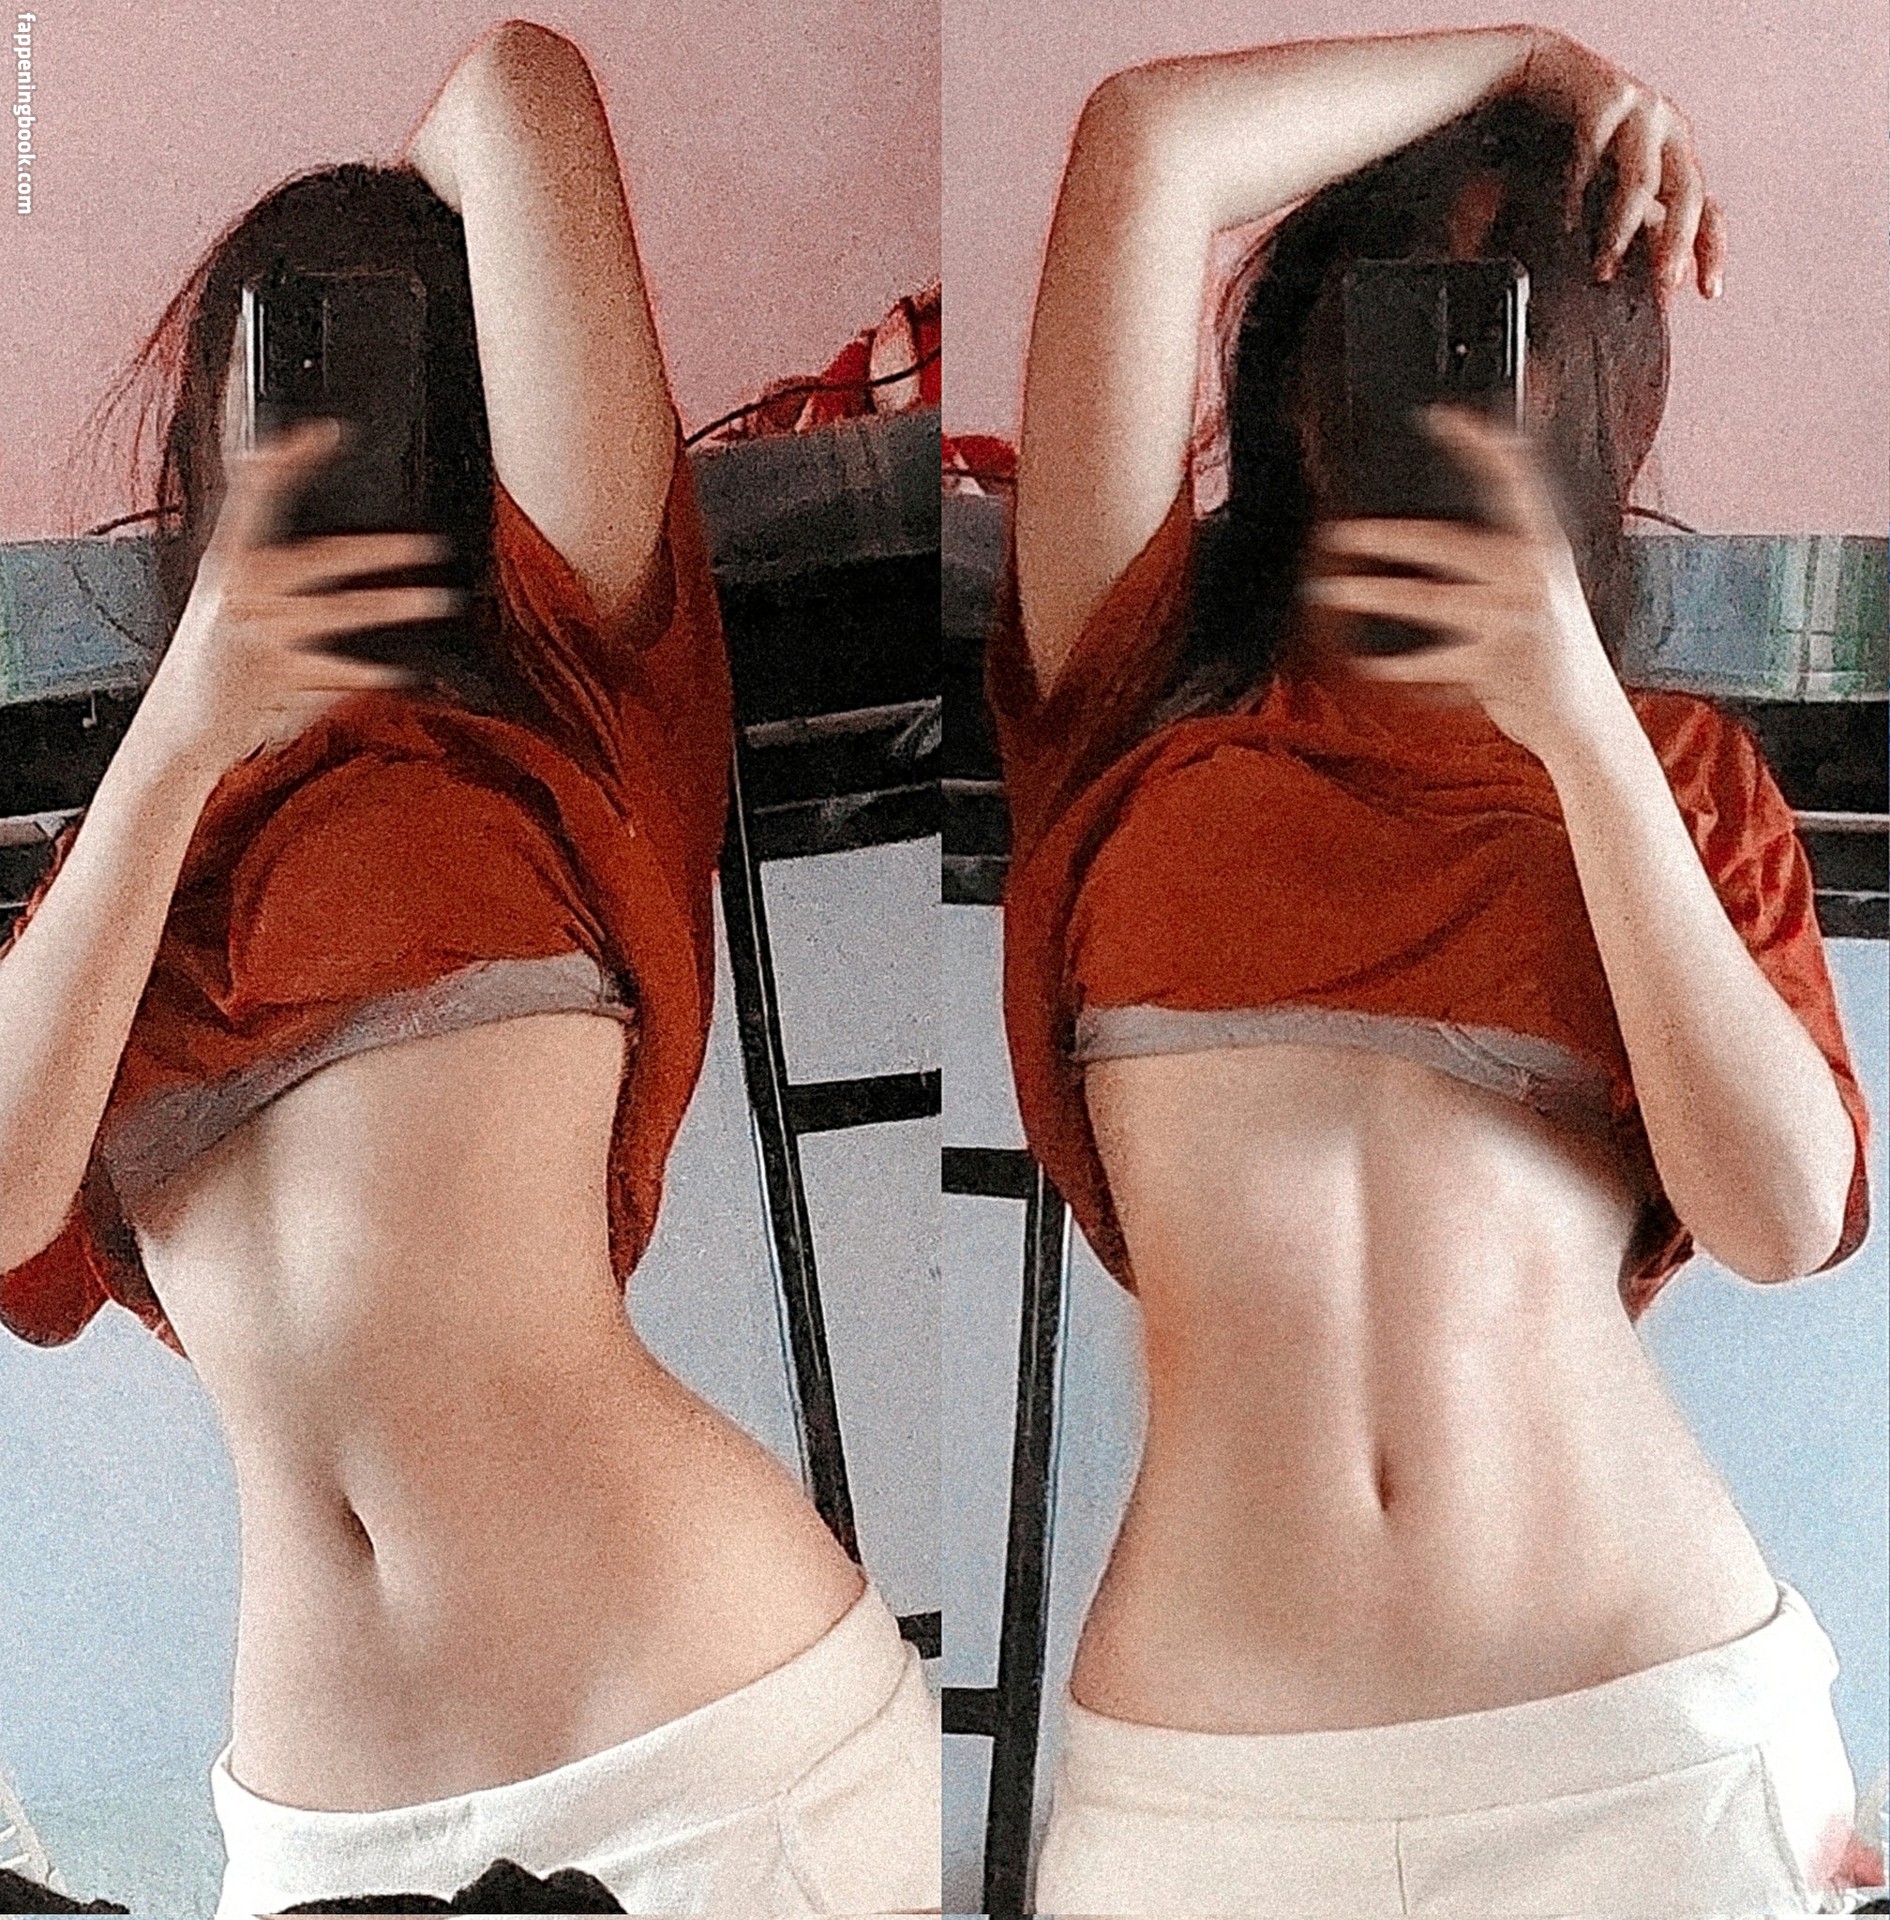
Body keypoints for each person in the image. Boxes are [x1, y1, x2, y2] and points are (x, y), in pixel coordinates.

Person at [0, 22, 939, 1917]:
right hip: (315, 1828)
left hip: (701, 1753)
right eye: (278, 377)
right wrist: (184, 734)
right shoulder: (124, 874)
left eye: (371, 377)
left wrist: (379, 230)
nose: (319, 437)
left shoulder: (565, 674)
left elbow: (519, 87)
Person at [989, 24, 1877, 1915]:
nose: (1466, 362)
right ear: (1307, 348)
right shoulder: (1136, 696)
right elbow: (1142, 145)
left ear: (1602, 389)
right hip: (1209, 1799)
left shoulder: (1673, 772)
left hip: (1644, 1746)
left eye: (1522, 312)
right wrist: (1531, 62)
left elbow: (1785, 1216)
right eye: (1412, 301)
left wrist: (1573, 724)